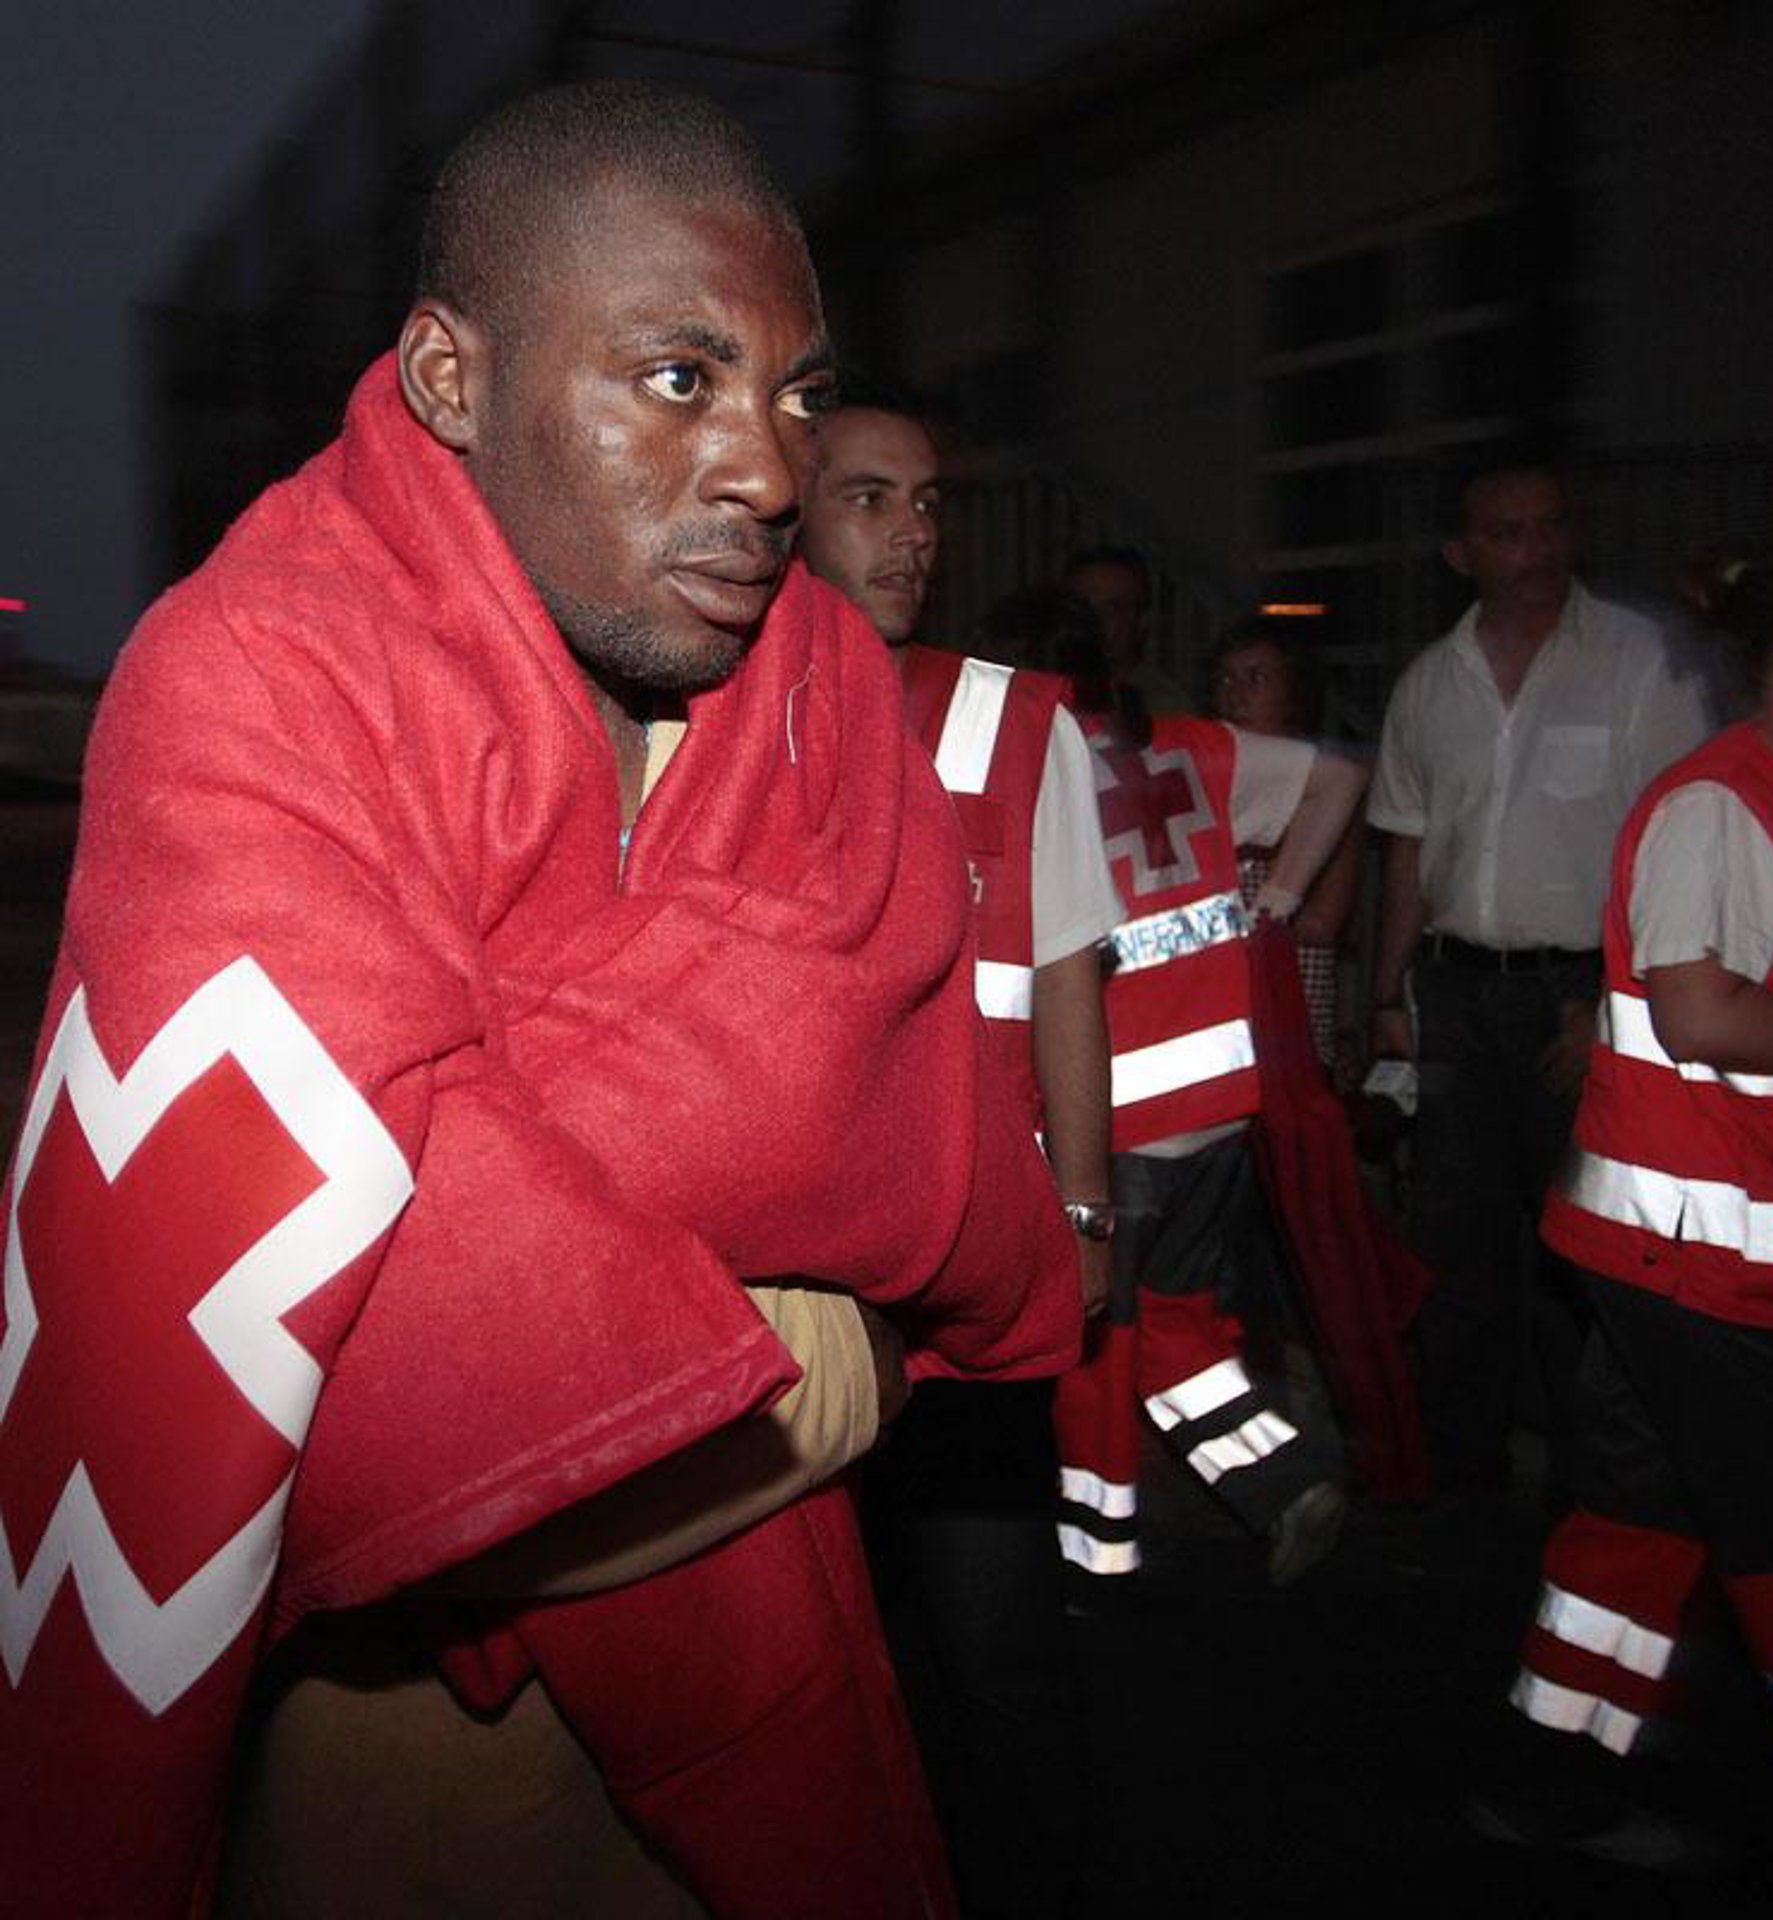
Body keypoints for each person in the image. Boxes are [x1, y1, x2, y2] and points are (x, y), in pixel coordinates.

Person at [0, 82, 1082, 1919]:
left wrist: (520, 1166)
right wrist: (807, 1358)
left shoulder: (822, 686)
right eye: (678, 378)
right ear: (452, 378)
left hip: (775, 1679)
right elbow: (295, 1367)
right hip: (381, 1749)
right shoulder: (252, 672)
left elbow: (927, 1174)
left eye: (794, 395)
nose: (766, 470)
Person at [1497, 539, 1773, 1860]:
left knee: (1642, 1521)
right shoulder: (1722, 807)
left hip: (1702, 1248)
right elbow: (1702, 1013)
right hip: (1711, 1257)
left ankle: (1551, 1775)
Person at [802, 391, 1122, 1919]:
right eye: (870, 497)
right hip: (792, 1273)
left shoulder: (1016, 719)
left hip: (973, 1260)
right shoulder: (704, 708)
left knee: (996, 1634)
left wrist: (1089, 1209)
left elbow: (1067, 974)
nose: (913, 532)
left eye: (925, 502)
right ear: (785, 505)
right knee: (819, 1653)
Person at [1367, 462, 1714, 1500]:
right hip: (1457, 992)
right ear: (1461, 553)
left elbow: (1675, 845)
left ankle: (1597, 1490)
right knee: (1455, 1247)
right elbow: (1407, 848)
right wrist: (1387, 994)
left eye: (1551, 526)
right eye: (1509, 533)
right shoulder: (1431, 682)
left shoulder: (1640, 662)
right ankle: (1459, 1478)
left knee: (1581, 1249)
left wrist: (1612, 1000)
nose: (1536, 551)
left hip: (1579, 990)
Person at [1049, 632, 1370, 1585]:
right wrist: (1275, 901)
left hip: (1114, 1115)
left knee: (1096, 1342)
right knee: (1178, 1323)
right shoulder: (1197, 745)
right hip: (1221, 1102)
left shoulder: (1044, 764)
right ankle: (1285, 1481)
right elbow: (1340, 776)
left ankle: (1097, 1555)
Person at [1210, 614, 1363, 1076]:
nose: (1237, 695)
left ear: (1294, 689)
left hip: (1289, 996)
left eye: (1256, 678)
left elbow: (1322, 922)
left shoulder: (1326, 784)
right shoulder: (1208, 774)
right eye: (1226, 679)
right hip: (1220, 1004)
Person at [1065, 544, 1190, 714]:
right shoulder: (1040, 691)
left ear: (1141, 621)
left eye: (1112, 608)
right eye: (1082, 607)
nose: (1094, 619)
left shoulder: (1165, 707)